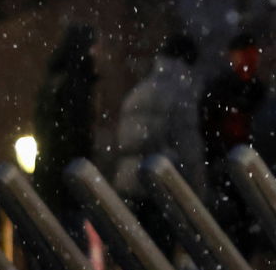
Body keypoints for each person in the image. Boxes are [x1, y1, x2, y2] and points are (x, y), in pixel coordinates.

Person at [113, 33, 207, 206]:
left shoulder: (138, 91)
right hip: (161, 186)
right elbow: (189, 149)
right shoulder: (181, 97)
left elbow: (123, 142)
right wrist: (199, 192)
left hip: (128, 183)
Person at [31, 22, 98, 244]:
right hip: (66, 180)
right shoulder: (74, 83)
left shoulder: (54, 80)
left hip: (50, 176)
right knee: (72, 251)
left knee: (54, 250)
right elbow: (76, 134)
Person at [199, 32, 268, 239]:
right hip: (227, 164)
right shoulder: (222, 89)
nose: (248, 61)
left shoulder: (256, 90)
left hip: (243, 164)